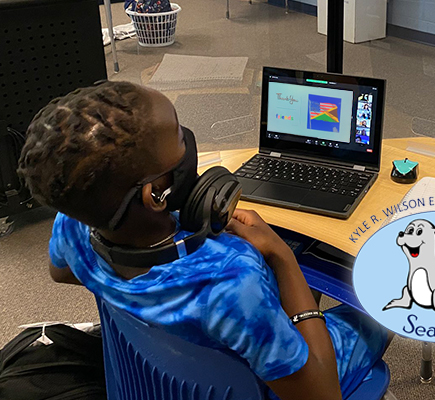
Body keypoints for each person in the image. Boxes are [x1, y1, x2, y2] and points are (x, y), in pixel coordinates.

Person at [18, 81, 391, 400]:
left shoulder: (75, 223)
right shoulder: (231, 279)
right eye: (179, 135)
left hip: (150, 383)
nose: (188, 143)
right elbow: (321, 395)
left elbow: (60, 273)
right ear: (156, 194)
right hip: (282, 386)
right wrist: (279, 255)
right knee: (383, 307)